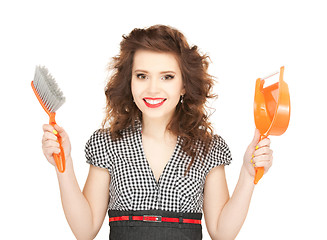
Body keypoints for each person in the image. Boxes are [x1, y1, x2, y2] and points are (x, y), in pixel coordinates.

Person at [41, 24, 273, 240]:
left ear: (184, 85)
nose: (153, 88)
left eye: (167, 77)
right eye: (142, 76)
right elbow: (85, 229)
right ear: (129, 81)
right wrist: (65, 165)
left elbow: (222, 233)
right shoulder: (107, 143)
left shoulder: (208, 148)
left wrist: (248, 174)